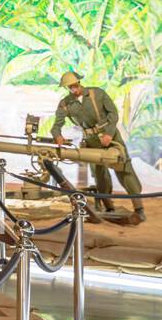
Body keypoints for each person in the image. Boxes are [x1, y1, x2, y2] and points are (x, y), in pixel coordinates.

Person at [51, 72, 145, 224]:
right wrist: (58, 136)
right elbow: (56, 125)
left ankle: (139, 208)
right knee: (100, 175)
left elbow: (113, 114)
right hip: (91, 141)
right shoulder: (65, 104)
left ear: (79, 82)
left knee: (125, 171)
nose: (73, 89)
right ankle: (108, 207)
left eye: (75, 85)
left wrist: (109, 134)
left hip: (111, 138)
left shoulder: (97, 94)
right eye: (70, 87)